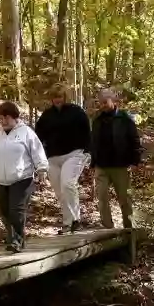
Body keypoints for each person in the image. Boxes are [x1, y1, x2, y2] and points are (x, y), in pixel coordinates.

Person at [0, 101, 50, 251]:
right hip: (0, 180)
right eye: (1, 118)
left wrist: (42, 168)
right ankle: (12, 237)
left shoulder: (26, 133)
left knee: (16, 210)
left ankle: (17, 240)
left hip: (22, 178)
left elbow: (37, 152)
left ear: (15, 117)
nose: (3, 121)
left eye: (6, 118)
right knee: (5, 211)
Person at [34, 84, 91, 234]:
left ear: (65, 97)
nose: (57, 100)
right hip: (52, 158)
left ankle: (76, 220)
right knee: (59, 192)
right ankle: (67, 224)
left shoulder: (76, 112)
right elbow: (37, 137)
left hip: (74, 154)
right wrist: (39, 155)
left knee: (68, 184)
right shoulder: (46, 115)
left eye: (60, 96)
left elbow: (87, 132)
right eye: (54, 97)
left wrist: (88, 151)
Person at [90, 87, 141, 229]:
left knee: (125, 199)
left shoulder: (125, 119)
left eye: (105, 102)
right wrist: (93, 162)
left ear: (113, 101)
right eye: (100, 102)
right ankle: (108, 228)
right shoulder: (97, 120)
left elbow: (135, 140)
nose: (102, 105)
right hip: (101, 166)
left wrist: (135, 161)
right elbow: (93, 142)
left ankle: (129, 229)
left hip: (120, 165)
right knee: (102, 197)